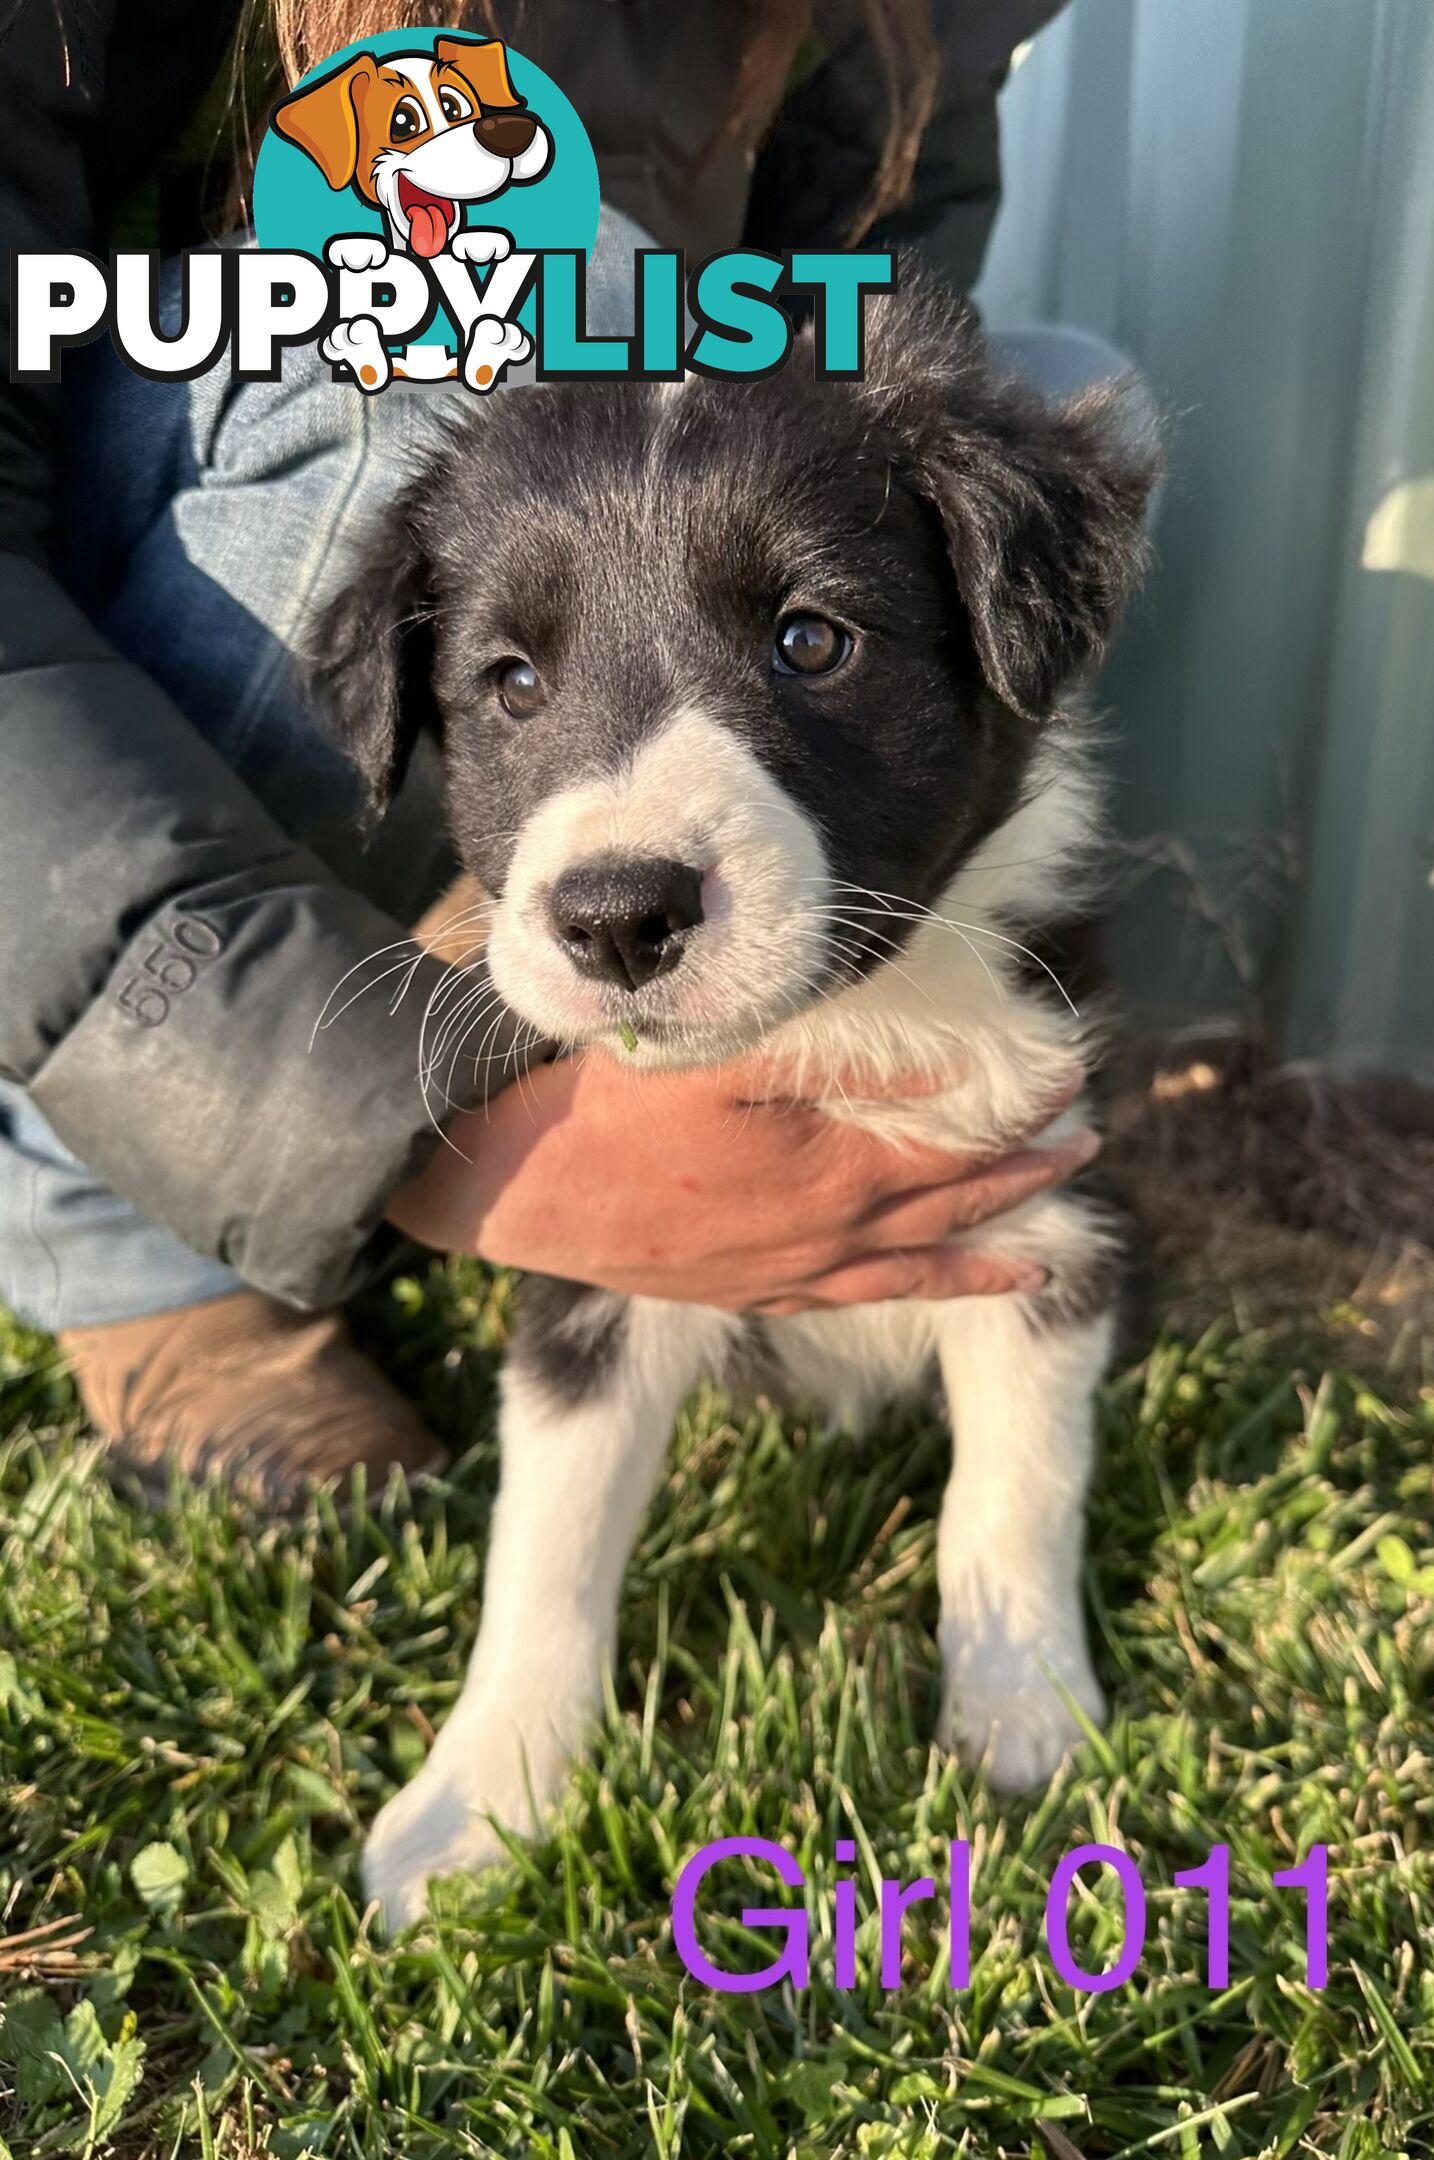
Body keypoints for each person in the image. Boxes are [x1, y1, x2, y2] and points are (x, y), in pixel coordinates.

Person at [0, 0, 1082, 1506]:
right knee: (477, 318)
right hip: (109, 505)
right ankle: (132, 1249)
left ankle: (634, 1002)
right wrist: (481, 1161)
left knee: (1057, 383)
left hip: (624, 581)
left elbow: (867, 371)